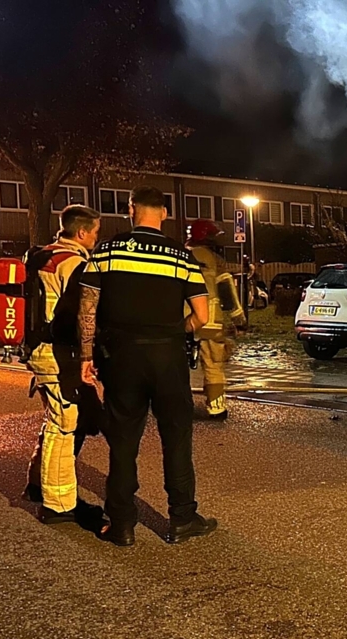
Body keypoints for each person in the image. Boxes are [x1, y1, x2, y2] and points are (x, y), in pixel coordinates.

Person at [78, 186, 215, 547]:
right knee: (177, 438)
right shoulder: (180, 256)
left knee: (123, 441)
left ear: (130, 210)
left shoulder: (105, 250)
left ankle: (121, 524)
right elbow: (203, 315)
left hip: (122, 357)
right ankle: (182, 518)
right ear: (165, 213)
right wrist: (175, 330)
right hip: (167, 356)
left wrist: (86, 357)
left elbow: (87, 308)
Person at [21, 205, 105, 526]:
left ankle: (36, 482)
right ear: (81, 232)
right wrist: (89, 355)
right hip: (58, 352)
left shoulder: (39, 255)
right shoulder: (75, 264)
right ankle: (57, 504)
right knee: (64, 423)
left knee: (55, 415)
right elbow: (81, 316)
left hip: (36, 348)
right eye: (95, 232)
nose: (96, 237)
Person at [185, 218, 246, 419]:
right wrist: (239, 320)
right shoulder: (215, 260)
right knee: (213, 364)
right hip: (210, 320)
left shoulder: (179, 255)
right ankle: (216, 408)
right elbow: (227, 291)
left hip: (181, 319)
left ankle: (175, 405)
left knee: (173, 364)